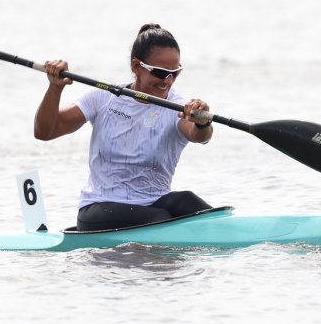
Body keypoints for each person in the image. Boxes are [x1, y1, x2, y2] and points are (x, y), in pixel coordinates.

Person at [34, 23, 215, 231]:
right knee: (161, 218)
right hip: (100, 207)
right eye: (160, 72)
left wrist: (203, 123)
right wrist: (55, 88)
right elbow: (44, 132)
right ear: (136, 66)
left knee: (187, 200)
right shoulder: (104, 97)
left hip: (153, 203)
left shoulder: (177, 107)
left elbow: (198, 135)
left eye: (175, 73)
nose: (168, 81)